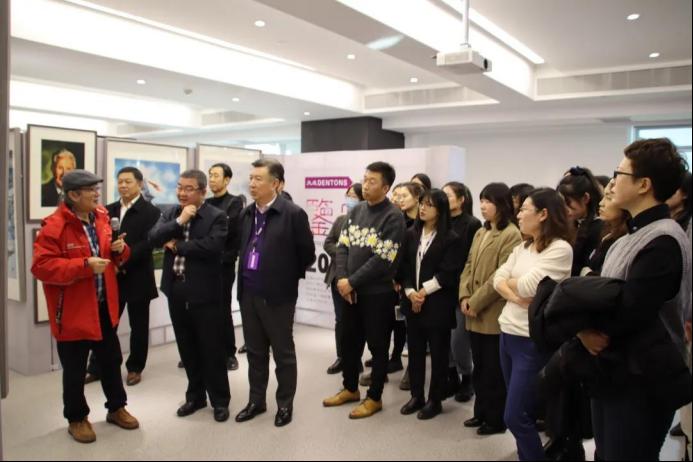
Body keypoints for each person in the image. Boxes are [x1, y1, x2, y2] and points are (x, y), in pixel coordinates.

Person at [582, 138, 691, 461]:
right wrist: (581, 326)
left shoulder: (663, 239)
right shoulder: (627, 236)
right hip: (613, 371)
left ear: (644, 185)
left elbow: (627, 313)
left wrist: (580, 323)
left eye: (619, 174)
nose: (612, 183)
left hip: (641, 379)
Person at [32, 170, 139, 444]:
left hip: (103, 307)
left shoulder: (101, 218)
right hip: (72, 312)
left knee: (111, 361)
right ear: (73, 195)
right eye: (91, 189)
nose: (96, 193)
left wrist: (120, 250)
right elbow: (41, 267)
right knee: (75, 369)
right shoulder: (54, 226)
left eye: (96, 188)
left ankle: (116, 408)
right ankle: (77, 418)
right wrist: (84, 266)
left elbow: (114, 258)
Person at [493, 188, 574, 461]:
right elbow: (497, 278)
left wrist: (511, 287)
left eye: (524, 209)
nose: (518, 215)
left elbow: (531, 286)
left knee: (515, 416)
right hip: (507, 333)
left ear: (543, 214)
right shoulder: (523, 246)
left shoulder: (560, 249)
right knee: (520, 411)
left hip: (530, 340)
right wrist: (516, 295)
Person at [234, 159, 315, 427]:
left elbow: (307, 255)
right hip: (248, 294)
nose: (252, 184)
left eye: (258, 179)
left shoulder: (293, 214)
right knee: (255, 353)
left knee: (283, 353)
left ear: (276, 184)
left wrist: (283, 276)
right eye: (251, 178)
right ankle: (256, 401)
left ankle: (284, 404)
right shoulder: (247, 214)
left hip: (278, 297)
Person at [323, 161, 406, 419]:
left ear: (386, 187)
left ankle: (374, 397)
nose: (365, 185)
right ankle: (350, 388)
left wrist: (352, 282)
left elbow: (382, 259)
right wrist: (342, 279)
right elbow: (342, 247)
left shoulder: (393, 216)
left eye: (372, 181)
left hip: (377, 294)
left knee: (378, 347)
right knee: (349, 343)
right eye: (365, 179)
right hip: (349, 291)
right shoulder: (357, 210)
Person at [149, 169, 231, 423]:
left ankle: (220, 400)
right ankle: (195, 397)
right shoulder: (172, 213)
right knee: (187, 348)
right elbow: (153, 237)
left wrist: (177, 246)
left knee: (211, 349)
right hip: (176, 289)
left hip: (205, 292)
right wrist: (179, 221)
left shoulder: (216, 216)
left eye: (189, 188)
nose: (182, 193)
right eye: (179, 187)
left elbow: (212, 246)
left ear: (202, 191)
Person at [459, 183, 522, 436]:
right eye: (482, 201)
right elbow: (468, 265)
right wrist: (464, 295)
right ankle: (481, 412)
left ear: (502, 204)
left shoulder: (511, 234)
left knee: (494, 370)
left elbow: (499, 276)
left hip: (492, 311)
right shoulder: (481, 231)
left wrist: (475, 302)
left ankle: (496, 419)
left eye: (489, 201)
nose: (483, 206)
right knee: (480, 366)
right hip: (473, 310)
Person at [399, 189, 463, 420]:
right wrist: (410, 292)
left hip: (437, 304)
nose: (423, 208)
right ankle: (416, 395)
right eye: (422, 203)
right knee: (415, 352)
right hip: (412, 302)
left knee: (438, 355)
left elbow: (449, 272)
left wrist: (423, 292)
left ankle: (435, 400)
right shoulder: (410, 234)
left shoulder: (451, 238)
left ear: (441, 209)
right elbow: (403, 267)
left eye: (429, 204)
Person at [98, 167, 160, 387]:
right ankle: (98, 366)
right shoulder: (108, 210)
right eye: (120, 181)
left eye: (128, 182)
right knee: (106, 325)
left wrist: (123, 261)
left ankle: (135, 367)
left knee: (139, 326)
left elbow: (148, 244)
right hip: (112, 277)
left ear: (140, 184)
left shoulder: (151, 212)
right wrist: (112, 265)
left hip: (138, 276)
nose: (123, 186)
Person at [443, 181, 482, 402]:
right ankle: (451, 377)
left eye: (449, 195)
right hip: (440, 288)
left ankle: (467, 376)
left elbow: (470, 259)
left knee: (459, 339)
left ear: (461, 199)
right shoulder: (440, 222)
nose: (444, 199)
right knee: (443, 338)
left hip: (460, 288)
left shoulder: (472, 224)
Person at [205, 163, 244, 371]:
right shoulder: (206, 203)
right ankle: (206, 350)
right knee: (203, 309)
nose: (212, 179)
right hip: (204, 262)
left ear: (227, 180)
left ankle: (229, 352)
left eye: (216, 175)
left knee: (222, 308)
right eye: (210, 175)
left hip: (223, 264)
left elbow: (231, 232)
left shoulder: (234, 202)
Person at [324, 183, 364, 375]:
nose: (349, 199)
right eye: (348, 195)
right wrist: (343, 255)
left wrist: (352, 257)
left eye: (353, 196)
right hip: (337, 276)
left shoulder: (368, 221)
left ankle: (356, 359)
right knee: (341, 320)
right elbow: (328, 243)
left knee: (358, 322)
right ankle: (341, 357)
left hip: (359, 279)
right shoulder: (341, 220)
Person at [558, 166, 604, 276]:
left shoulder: (599, 229)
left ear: (585, 198)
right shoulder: (569, 225)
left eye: (568, 203)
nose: (564, 209)